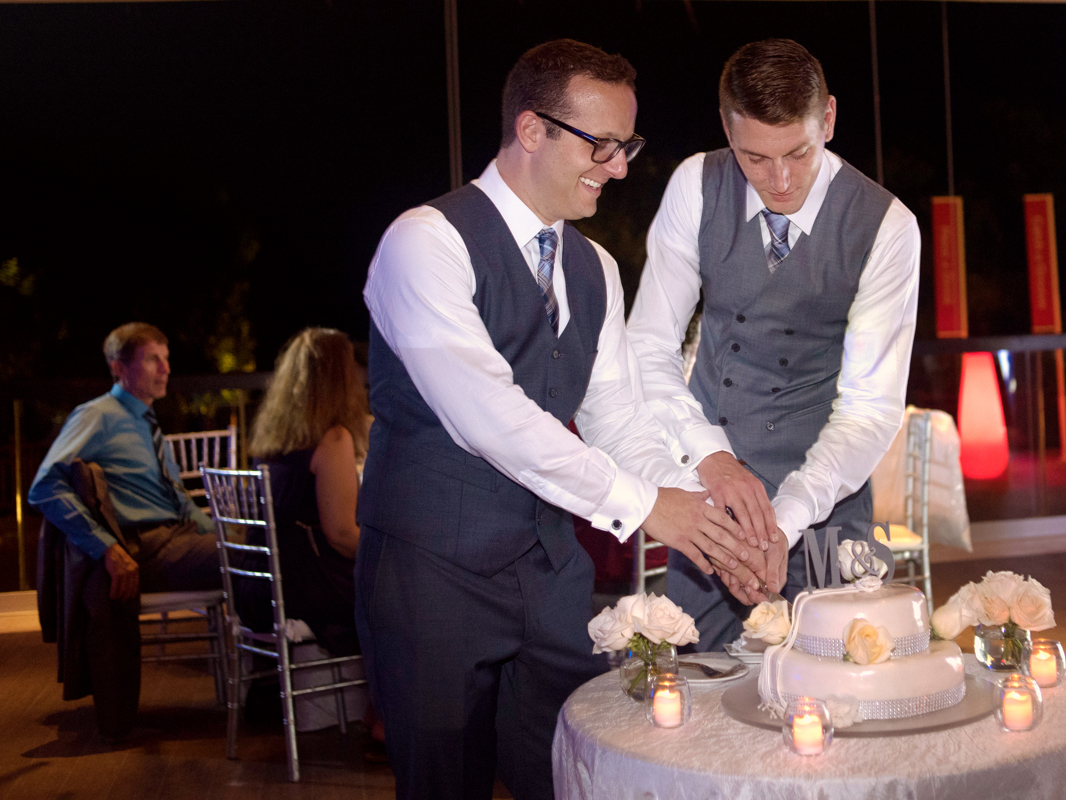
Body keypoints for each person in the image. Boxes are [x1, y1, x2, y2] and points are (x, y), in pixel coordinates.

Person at [357, 39, 774, 800]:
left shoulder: (597, 268)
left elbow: (617, 418)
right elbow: (488, 416)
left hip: (549, 575)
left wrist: (711, 522)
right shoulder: (424, 243)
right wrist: (650, 508)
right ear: (530, 130)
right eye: (603, 145)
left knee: (570, 775)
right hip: (430, 573)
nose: (620, 167)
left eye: (627, 145)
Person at [627, 38, 921, 650]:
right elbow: (649, 349)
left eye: (798, 152)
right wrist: (712, 459)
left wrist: (782, 523)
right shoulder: (695, 187)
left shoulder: (887, 227)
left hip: (826, 503)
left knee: (838, 694)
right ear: (726, 131)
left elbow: (870, 408)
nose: (779, 180)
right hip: (712, 499)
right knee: (684, 690)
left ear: (830, 119)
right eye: (754, 158)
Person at [28, 322, 224, 738]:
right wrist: (106, 549)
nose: (166, 368)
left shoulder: (147, 423)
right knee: (260, 559)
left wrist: (217, 530)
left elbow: (181, 502)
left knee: (258, 551)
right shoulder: (97, 416)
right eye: (153, 358)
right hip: (146, 547)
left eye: (166, 358)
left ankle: (263, 692)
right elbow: (44, 486)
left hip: (176, 538)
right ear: (120, 368)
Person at [245, 327, 369, 658]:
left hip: (263, 584)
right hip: (307, 589)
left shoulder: (275, 435)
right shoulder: (333, 439)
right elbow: (341, 535)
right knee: (415, 592)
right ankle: (396, 707)